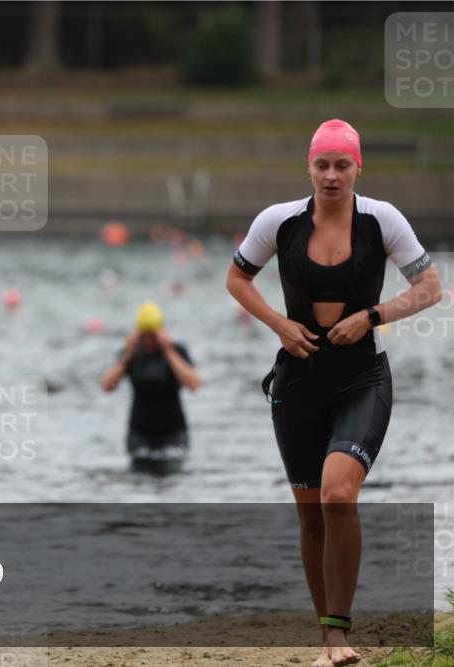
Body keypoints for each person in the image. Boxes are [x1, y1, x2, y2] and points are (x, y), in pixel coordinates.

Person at [226, 119, 442, 667]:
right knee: (311, 516)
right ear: (309, 168)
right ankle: (330, 641)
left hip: (361, 379)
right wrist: (279, 324)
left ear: (357, 169)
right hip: (297, 383)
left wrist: (372, 315)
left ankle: (338, 637)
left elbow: (432, 288)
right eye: (322, 164)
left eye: (342, 165)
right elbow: (236, 279)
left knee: (338, 495)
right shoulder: (278, 222)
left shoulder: (381, 219)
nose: (331, 175)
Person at [101, 301, 200, 472]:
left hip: (173, 431)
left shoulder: (176, 351)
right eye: (144, 336)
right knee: (139, 480)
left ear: (160, 332)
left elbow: (194, 384)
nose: (148, 341)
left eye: (152, 336)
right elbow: (107, 386)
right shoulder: (131, 354)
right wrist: (128, 354)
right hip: (139, 432)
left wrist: (168, 350)